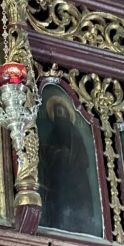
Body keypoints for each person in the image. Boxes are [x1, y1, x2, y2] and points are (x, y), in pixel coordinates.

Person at [40, 95, 94, 233]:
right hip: (57, 181)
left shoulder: (75, 135)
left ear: (67, 115)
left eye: (62, 113)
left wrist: (68, 156)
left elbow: (84, 160)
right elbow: (46, 156)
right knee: (57, 210)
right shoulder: (53, 134)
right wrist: (55, 153)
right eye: (57, 113)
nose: (60, 116)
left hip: (76, 182)